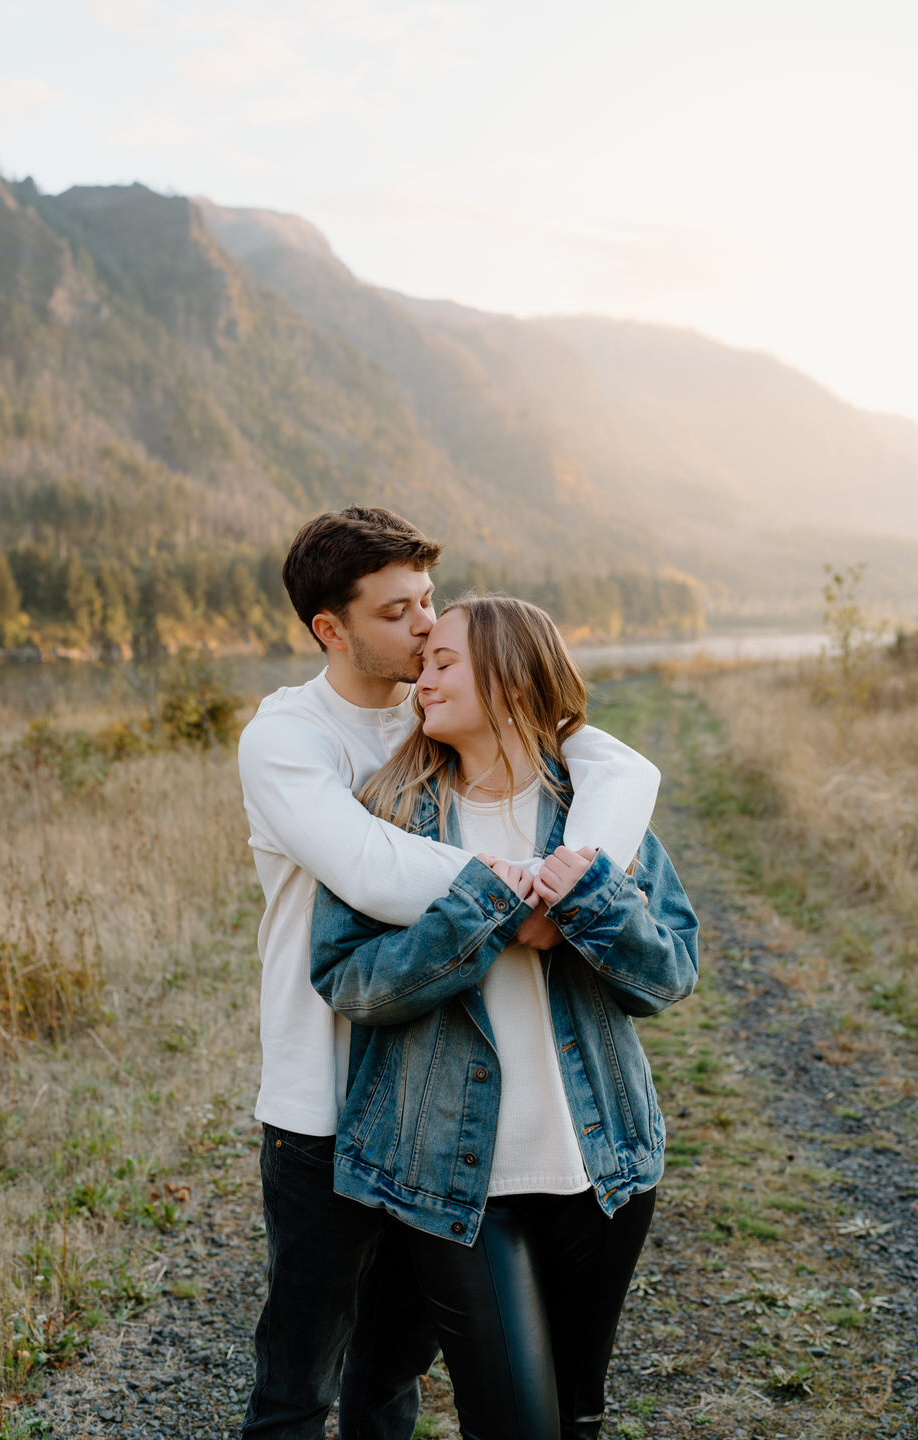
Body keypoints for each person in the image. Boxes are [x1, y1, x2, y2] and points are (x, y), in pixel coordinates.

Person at [237, 507, 662, 1439]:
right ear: (331, 630)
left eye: (430, 603)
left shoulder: (446, 717)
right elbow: (373, 871)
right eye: (399, 613)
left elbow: (614, 764)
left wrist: (578, 875)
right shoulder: (289, 739)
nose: (429, 628)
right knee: (302, 1378)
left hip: (433, 1111)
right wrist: (529, 900)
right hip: (324, 1098)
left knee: (391, 1369)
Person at [308, 594, 699, 1440]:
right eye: (424, 664)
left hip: (605, 1169)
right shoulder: (385, 814)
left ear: (514, 676)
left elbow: (669, 977)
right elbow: (350, 983)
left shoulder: (596, 816)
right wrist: (478, 910)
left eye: (445, 662)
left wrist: (587, 904)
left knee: (576, 1414)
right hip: (457, 1181)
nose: (423, 680)